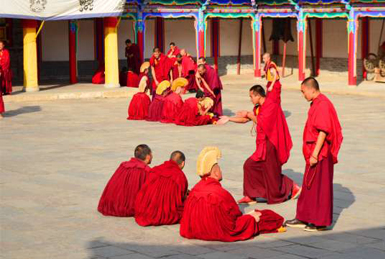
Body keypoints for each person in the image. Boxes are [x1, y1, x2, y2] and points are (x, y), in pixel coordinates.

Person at [180, 147, 286, 242]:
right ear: (216, 173)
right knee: (267, 216)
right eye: (219, 168)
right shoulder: (220, 193)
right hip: (220, 230)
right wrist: (250, 217)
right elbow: (235, 218)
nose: (221, 171)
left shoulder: (194, 190)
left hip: (195, 230)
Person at [285, 77, 343, 232]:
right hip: (313, 152)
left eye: (303, 92)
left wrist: (315, 154)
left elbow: (324, 131)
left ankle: (319, 222)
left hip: (320, 154)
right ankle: (303, 217)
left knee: (319, 189)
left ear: (311, 89)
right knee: (310, 186)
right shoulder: (317, 103)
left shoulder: (323, 104)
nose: (303, 95)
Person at [238, 85, 300, 205]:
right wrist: (229, 119)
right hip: (263, 144)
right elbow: (250, 119)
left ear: (258, 95)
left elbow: (262, 122)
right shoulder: (259, 106)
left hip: (271, 143)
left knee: (271, 173)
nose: (250, 99)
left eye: (251, 96)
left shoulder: (271, 105)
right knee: (250, 166)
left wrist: (250, 115)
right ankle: (251, 195)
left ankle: (291, 186)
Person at [135, 151, 188, 226]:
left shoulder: (155, 169)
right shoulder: (180, 176)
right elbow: (181, 197)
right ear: (183, 163)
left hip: (146, 210)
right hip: (165, 213)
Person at [98, 144, 153, 217]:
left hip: (112, 204)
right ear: (148, 157)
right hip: (129, 208)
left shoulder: (124, 165)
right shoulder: (145, 170)